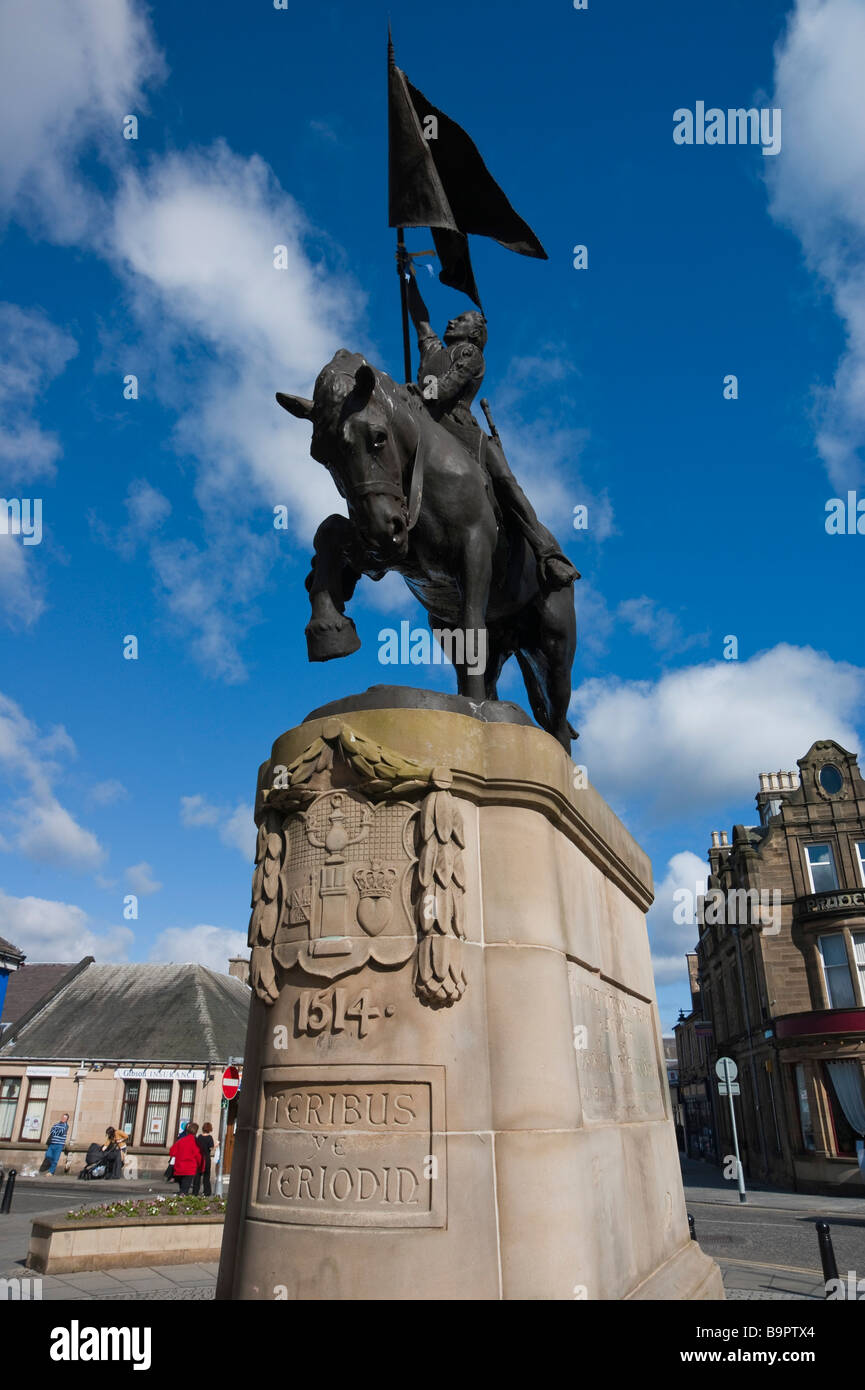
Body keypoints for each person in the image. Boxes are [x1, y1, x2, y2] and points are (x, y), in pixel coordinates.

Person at [400, 255, 579, 593]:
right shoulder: (433, 349)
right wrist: (408, 279)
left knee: (507, 483)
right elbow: (420, 320)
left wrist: (419, 392)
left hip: (462, 430)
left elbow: (447, 388)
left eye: (462, 319)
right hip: (426, 422)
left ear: (475, 332)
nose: (451, 320)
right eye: (454, 318)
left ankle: (548, 553)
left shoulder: (470, 354)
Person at [169, 1120, 204, 1195]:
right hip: (189, 1169)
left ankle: (179, 1201)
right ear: (196, 1132)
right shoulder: (196, 1142)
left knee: (182, 1189)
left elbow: (172, 1152)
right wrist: (201, 1167)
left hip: (179, 1168)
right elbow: (199, 1157)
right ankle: (180, 1203)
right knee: (184, 1190)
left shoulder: (181, 1141)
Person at [193, 1121, 215, 1197]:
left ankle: (195, 1191)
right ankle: (207, 1192)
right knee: (206, 1176)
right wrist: (216, 1145)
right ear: (210, 1129)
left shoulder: (199, 1137)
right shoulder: (209, 1137)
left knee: (197, 1175)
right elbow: (211, 1148)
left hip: (199, 1157)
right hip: (206, 1158)